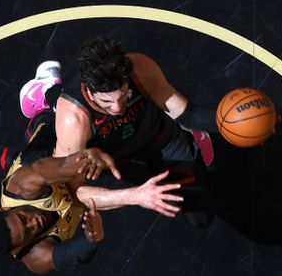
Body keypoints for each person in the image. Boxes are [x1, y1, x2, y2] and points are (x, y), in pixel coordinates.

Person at [48, 36, 219, 226]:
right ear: (89, 90)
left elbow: (189, 114)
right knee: (46, 145)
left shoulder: (140, 69)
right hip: (113, 159)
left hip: (160, 139)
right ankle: (47, 95)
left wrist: (232, 123)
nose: (117, 108)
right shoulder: (74, 117)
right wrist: (134, 196)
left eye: (123, 96)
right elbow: (70, 191)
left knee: (200, 219)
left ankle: (188, 136)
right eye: (107, 102)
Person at [0, 119, 184, 274]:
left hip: (49, 153)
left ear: (3, 209)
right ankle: (10, 156)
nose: (34, 223)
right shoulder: (34, 257)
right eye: (28, 232)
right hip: (70, 193)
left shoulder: (22, 186)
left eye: (23, 218)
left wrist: (86, 156)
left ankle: (42, 107)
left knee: (93, 138)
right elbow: (71, 256)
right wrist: (92, 239)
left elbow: (60, 166)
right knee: (80, 194)